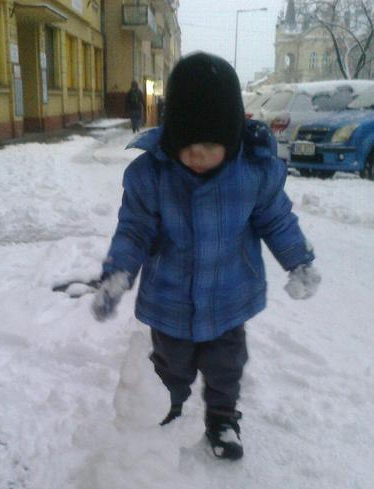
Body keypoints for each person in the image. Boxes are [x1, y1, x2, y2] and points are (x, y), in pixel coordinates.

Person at [92, 53, 321, 461]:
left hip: (229, 298)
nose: (197, 154)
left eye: (210, 146)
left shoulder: (253, 173)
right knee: (170, 367)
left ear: (230, 139)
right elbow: (134, 230)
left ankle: (222, 419)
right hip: (169, 300)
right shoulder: (152, 176)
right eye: (187, 144)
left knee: (226, 368)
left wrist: (298, 260)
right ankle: (167, 409)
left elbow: (277, 220)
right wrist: (118, 271)